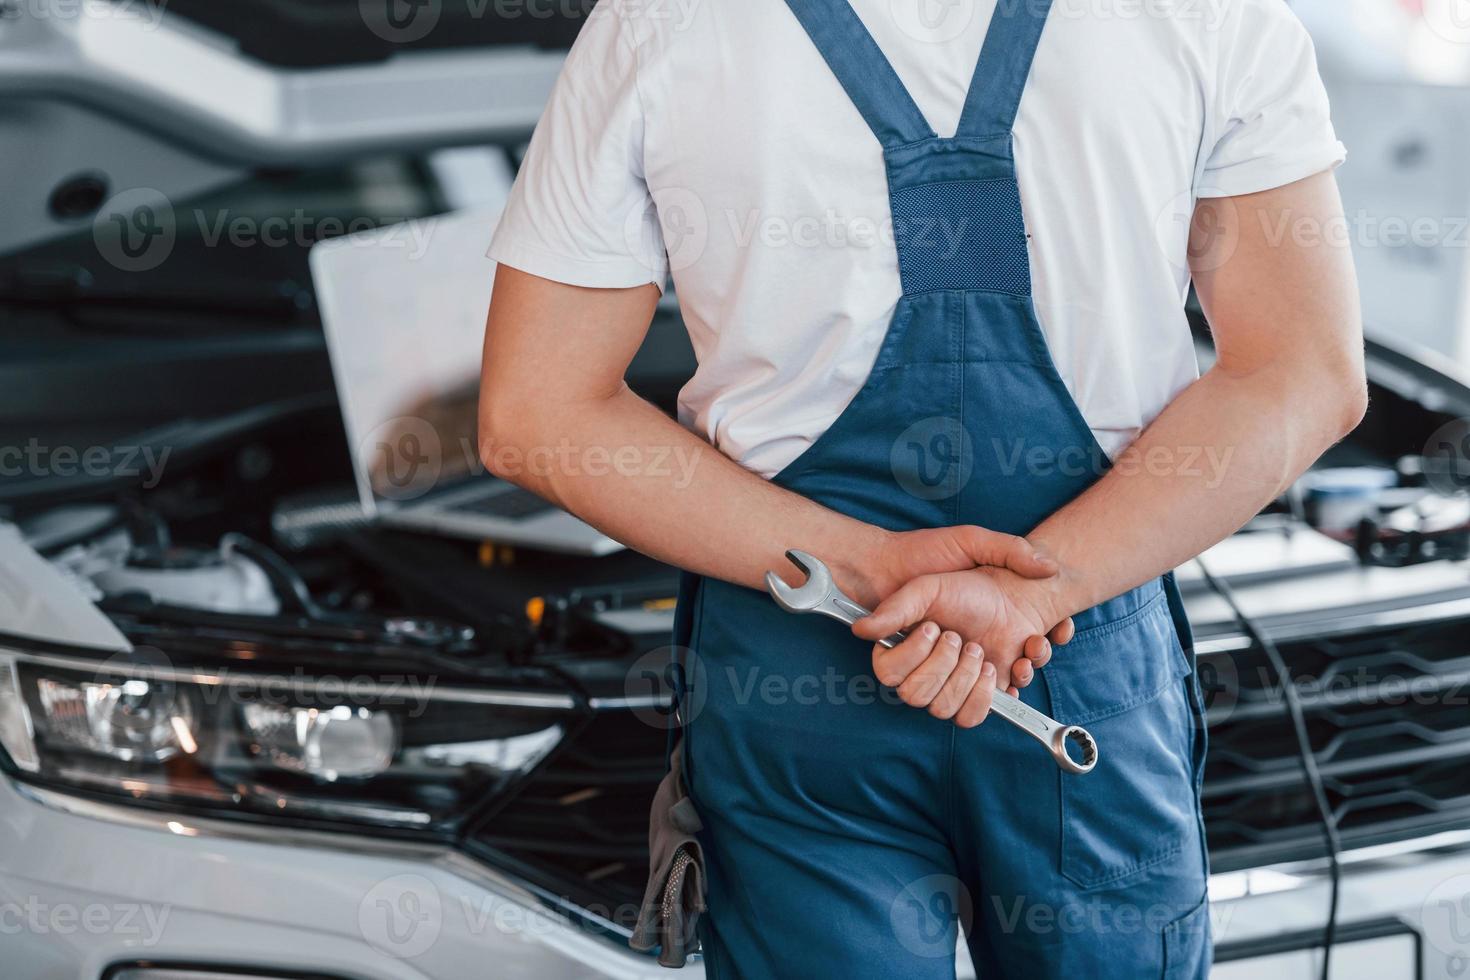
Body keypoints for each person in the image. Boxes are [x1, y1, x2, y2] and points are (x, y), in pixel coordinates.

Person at [478, 0, 1365, 976]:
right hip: (1077, 662)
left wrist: (871, 569)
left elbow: (537, 413)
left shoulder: (658, 21)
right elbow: (1302, 372)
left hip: (802, 664)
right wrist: (1035, 590)